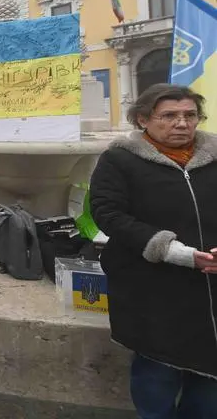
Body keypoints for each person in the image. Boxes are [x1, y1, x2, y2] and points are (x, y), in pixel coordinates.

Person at [90, 84, 217, 417]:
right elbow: (108, 213)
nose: (181, 123)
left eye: (190, 115)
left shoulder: (214, 155)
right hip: (150, 287)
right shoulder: (119, 160)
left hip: (211, 286)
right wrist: (171, 250)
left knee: (209, 387)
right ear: (143, 119)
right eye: (169, 116)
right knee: (156, 377)